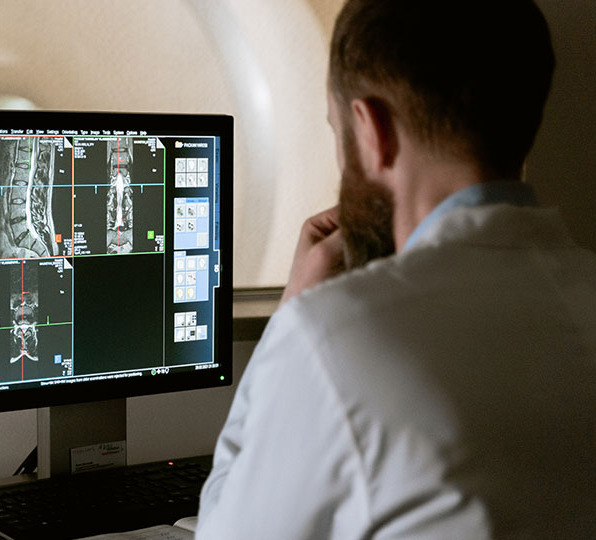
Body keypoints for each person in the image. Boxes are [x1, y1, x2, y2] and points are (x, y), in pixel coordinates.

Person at [196, 1, 596, 538]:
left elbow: (227, 531)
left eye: (337, 131)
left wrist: (295, 314)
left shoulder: (333, 336)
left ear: (371, 130)